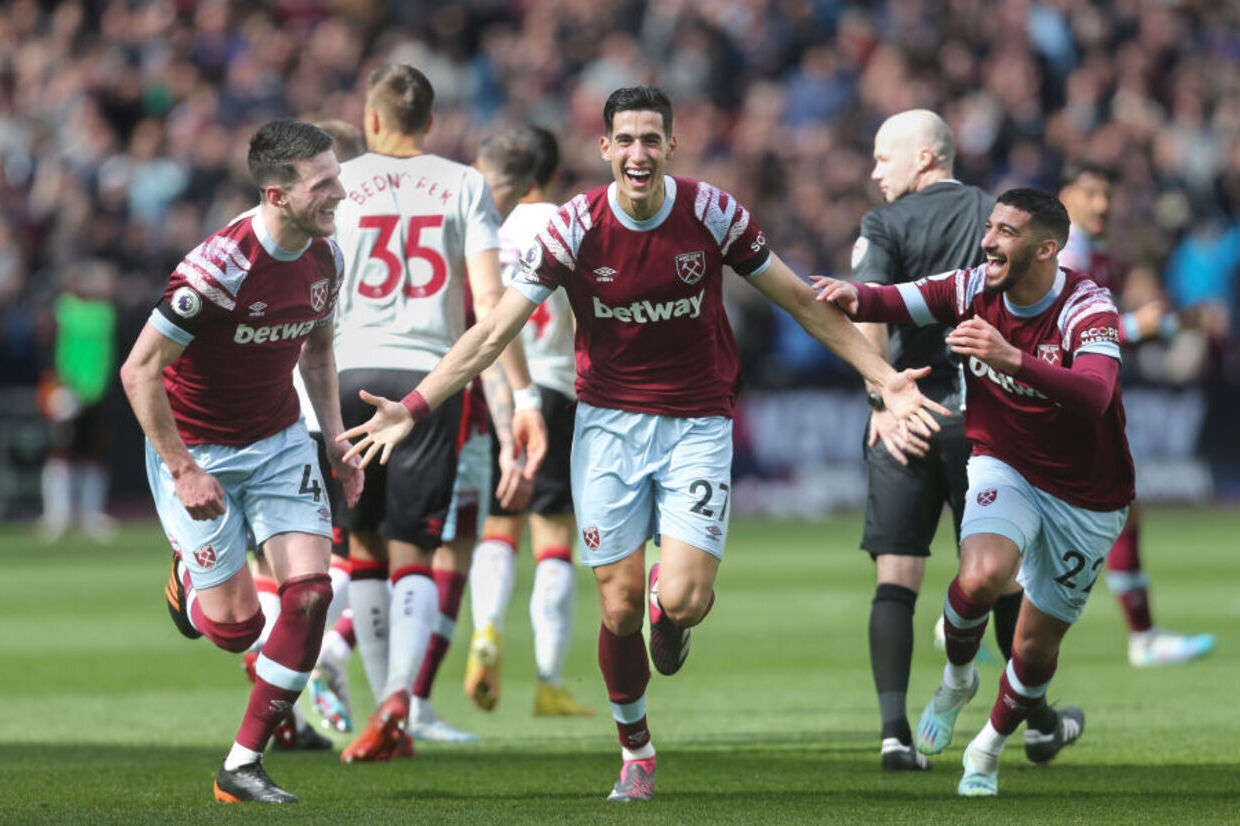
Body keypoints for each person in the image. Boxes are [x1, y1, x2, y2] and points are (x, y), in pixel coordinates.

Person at [337, 86, 947, 802]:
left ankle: (670, 602)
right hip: (607, 426)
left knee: (684, 600)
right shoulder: (575, 226)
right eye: (624, 140)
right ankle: (637, 751)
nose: (637, 153)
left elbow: (800, 301)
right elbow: (493, 330)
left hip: (697, 423)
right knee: (618, 608)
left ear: (670, 146)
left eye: (650, 139)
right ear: (604, 149)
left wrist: (884, 378)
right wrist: (414, 407)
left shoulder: (712, 213)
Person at [815, 188, 1135, 797]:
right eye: (989, 228)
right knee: (982, 575)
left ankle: (987, 748)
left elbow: (1096, 395)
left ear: (1046, 248)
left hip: (1088, 495)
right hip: (1005, 463)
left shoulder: (1087, 306)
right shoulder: (970, 288)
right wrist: (852, 295)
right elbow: (893, 299)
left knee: (1034, 650)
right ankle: (958, 679)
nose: (988, 241)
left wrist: (1011, 358)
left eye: (1006, 232)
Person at [119, 118, 364, 804]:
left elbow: (318, 353)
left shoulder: (326, 257)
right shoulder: (217, 269)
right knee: (236, 631)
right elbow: (139, 371)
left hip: (281, 440)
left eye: (337, 177)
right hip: (199, 450)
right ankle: (188, 582)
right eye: (324, 184)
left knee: (311, 595)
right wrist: (182, 469)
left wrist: (335, 439)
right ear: (277, 194)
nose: (340, 193)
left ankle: (242, 765)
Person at [329, 64, 545, 763]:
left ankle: (382, 709)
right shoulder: (464, 183)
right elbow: (490, 304)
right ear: (430, 122)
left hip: (348, 370)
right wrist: (519, 397)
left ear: (371, 119)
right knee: (416, 549)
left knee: (362, 545)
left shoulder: (340, 181)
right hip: (428, 383)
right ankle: (401, 701)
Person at [848, 109, 1028, 772]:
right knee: (1000, 578)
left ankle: (895, 736)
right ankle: (1032, 720)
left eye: (883, 156)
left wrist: (882, 397)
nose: (875, 171)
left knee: (896, 578)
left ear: (924, 156)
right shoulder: (996, 219)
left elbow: (867, 306)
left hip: (908, 416)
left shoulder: (883, 224)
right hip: (984, 424)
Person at [406, 128, 541, 744]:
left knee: (384, 549)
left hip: (397, 396)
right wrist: (513, 423)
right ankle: (406, 697)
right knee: (450, 553)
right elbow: (488, 335)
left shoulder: (427, 218)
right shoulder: (482, 237)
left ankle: (377, 682)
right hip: (458, 414)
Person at [1058, 161, 1216, 668]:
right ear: (1065, 196)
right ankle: (1143, 638)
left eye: (1107, 193)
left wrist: (1167, 326)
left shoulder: (1093, 249)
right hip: (1066, 405)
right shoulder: (1067, 252)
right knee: (1099, 514)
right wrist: (1135, 327)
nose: (1101, 204)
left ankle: (967, 614)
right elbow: (1064, 330)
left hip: (1081, 402)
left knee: (1115, 512)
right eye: (1090, 193)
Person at [465, 125, 595, 719]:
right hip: (555, 390)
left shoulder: (486, 228)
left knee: (498, 524)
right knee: (553, 537)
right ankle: (548, 681)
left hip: (495, 390)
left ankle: (486, 632)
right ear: (555, 174)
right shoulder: (572, 224)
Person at [38, 259, 119, 543]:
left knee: (94, 453)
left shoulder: (105, 312)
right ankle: (57, 515)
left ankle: (90, 515)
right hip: (67, 391)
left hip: (97, 392)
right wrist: (56, 385)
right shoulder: (63, 309)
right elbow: (49, 347)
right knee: (61, 452)